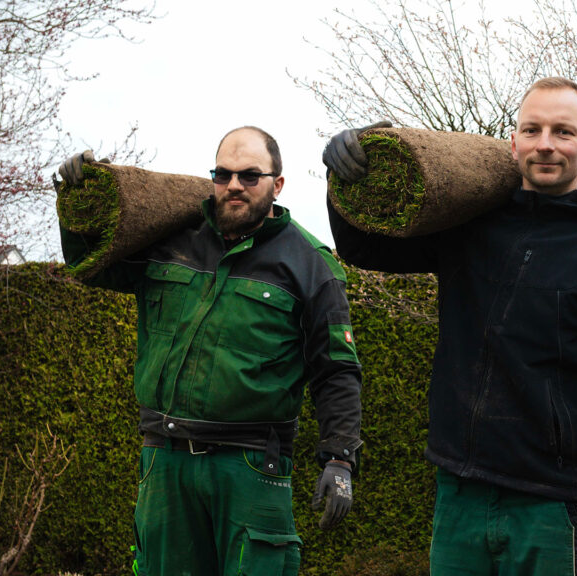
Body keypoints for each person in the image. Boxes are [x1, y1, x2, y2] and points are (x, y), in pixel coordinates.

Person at [323, 77, 577, 576]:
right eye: (532, 130)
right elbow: (366, 249)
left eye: (563, 132)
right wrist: (348, 178)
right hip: (458, 497)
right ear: (513, 142)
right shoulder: (471, 225)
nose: (546, 145)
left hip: (552, 506)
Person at [56, 126, 363, 576]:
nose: (234, 185)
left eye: (249, 175)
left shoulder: (311, 265)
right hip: (165, 461)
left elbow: (336, 371)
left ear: (277, 184)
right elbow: (94, 267)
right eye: (223, 174)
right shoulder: (169, 240)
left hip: (251, 465)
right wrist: (76, 207)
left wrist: (339, 458)